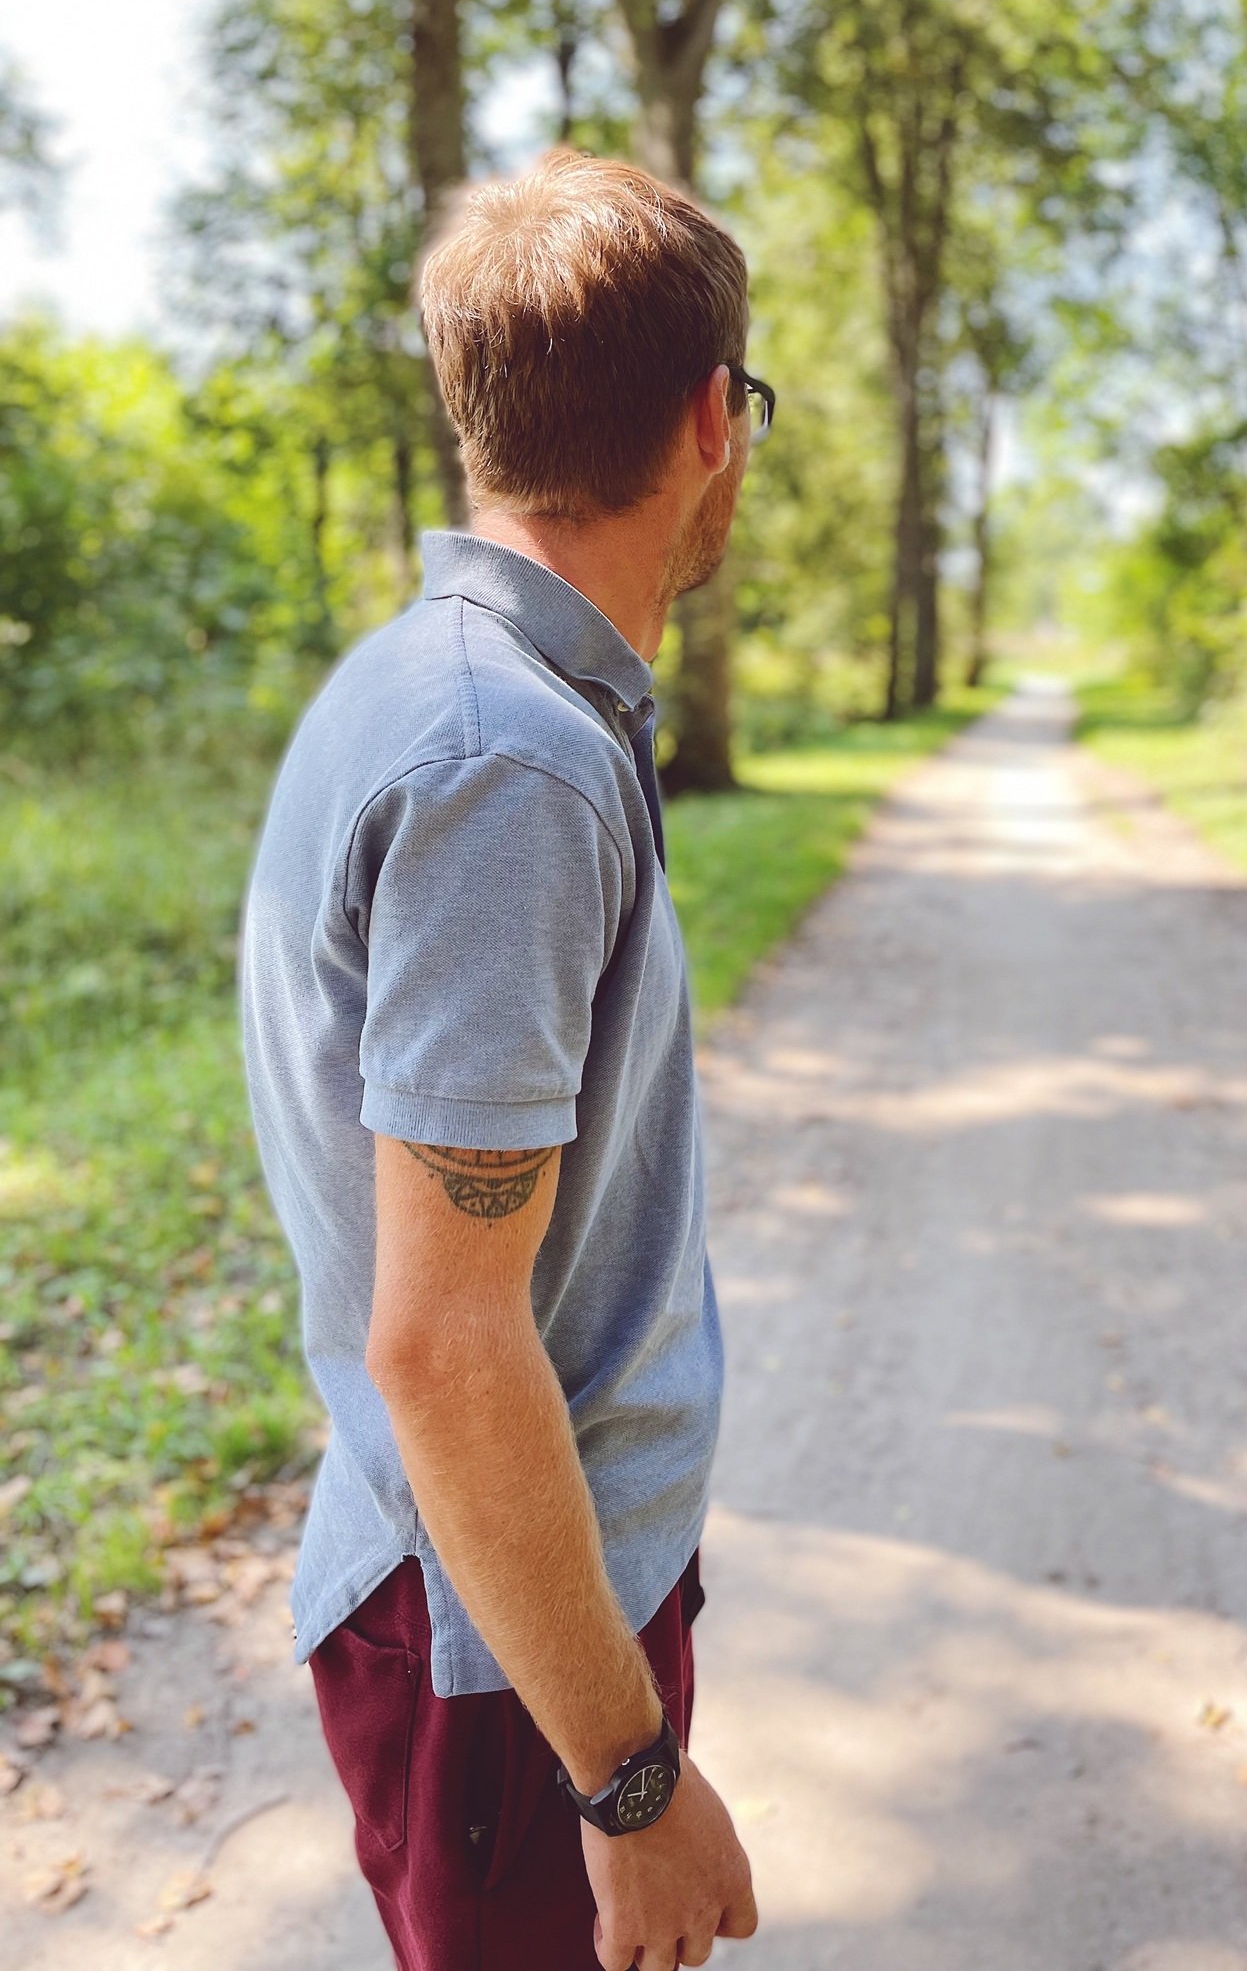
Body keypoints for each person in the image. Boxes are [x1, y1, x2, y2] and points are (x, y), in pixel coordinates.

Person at [237, 146, 773, 1970]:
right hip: (508, 1660)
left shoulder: (435, 690)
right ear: (716, 422)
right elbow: (447, 1343)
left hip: (502, 1609)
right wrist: (627, 1782)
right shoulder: (511, 765)